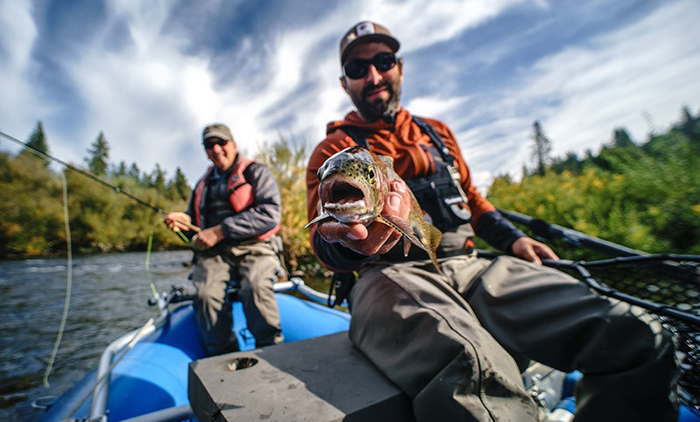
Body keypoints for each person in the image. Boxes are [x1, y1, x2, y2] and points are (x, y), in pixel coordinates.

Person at [306, 21, 678, 421]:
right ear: (345, 83)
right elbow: (324, 237)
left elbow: (474, 200)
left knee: (638, 335)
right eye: (358, 69)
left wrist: (514, 240)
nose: (374, 76)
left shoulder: (439, 134)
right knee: (474, 375)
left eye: (382, 61)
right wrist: (347, 241)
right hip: (386, 277)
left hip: (471, 266)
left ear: (399, 66)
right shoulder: (333, 151)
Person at [165, 123, 285, 355]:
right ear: (205, 151)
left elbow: (270, 215)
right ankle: (224, 355)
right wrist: (183, 224)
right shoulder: (201, 184)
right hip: (215, 255)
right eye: (210, 145)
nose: (217, 149)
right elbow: (196, 229)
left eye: (221, 143)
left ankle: (271, 351)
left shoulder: (256, 172)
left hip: (256, 248)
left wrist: (220, 231)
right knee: (205, 294)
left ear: (233, 145)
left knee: (256, 286)